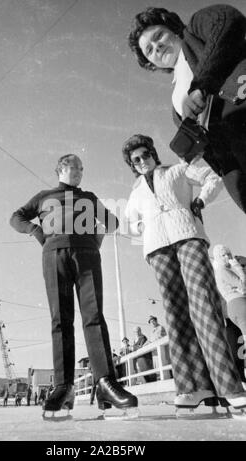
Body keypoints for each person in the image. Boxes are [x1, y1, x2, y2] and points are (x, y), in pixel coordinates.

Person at [123, 133, 246, 412]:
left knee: (203, 304)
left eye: (145, 155)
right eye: (136, 159)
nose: (142, 161)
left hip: (188, 236)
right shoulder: (135, 191)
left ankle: (229, 387)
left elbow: (212, 179)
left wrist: (200, 202)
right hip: (157, 249)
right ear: (132, 164)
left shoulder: (177, 169)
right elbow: (130, 222)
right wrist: (145, 230)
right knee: (176, 313)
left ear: (153, 153)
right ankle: (193, 388)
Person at [10, 154, 138, 415]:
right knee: (60, 320)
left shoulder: (89, 197)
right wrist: (36, 232)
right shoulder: (44, 196)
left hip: (87, 256)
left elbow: (111, 222)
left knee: (94, 317)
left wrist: (95, 241)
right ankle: (63, 387)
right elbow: (16, 217)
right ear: (60, 169)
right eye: (73, 167)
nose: (79, 171)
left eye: (81, 168)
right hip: (53, 255)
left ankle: (105, 382)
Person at [128, 4, 246, 214]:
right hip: (235, 164)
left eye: (159, 36)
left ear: (173, 30)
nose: (157, 47)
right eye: (149, 50)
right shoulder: (175, 102)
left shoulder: (195, 28)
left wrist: (200, 86)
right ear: (150, 63)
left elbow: (229, 21)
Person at [213, 244, 246, 383]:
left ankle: (240, 380)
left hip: (233, 309)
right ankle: (240, 380)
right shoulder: (223, 271)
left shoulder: (228, 270)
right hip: (231, 312)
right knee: (236, 349)